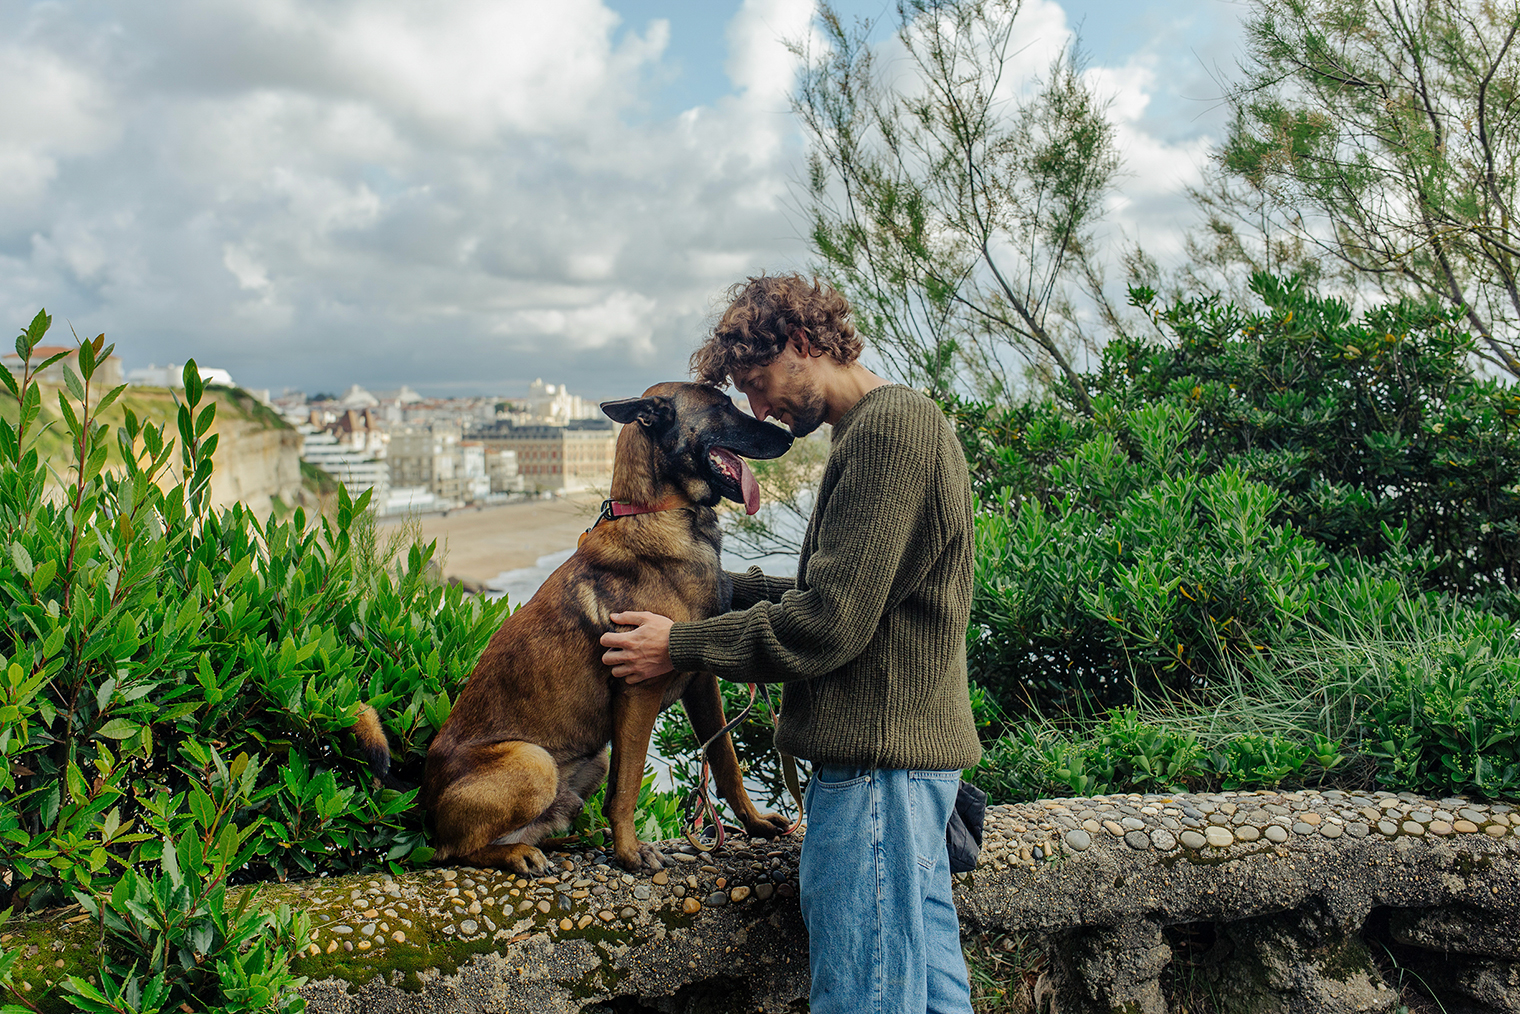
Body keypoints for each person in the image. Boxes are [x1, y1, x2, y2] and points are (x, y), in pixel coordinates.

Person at [599, 273, 981, 1014]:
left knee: (863, 999)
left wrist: (681, 643)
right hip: (906, 768)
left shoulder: (889, 434)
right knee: (931, 999)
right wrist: (717, 588)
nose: (759, 408)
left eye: (759, 383)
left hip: (878, 773)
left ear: (804, 345)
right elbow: (854, 599)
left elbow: (830, 623)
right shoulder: (886, 427)